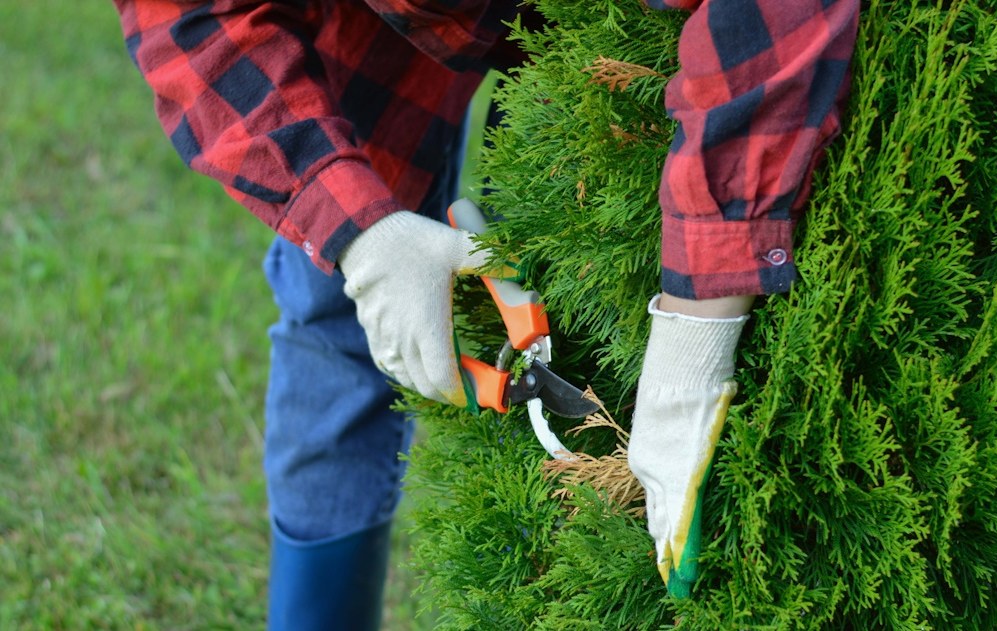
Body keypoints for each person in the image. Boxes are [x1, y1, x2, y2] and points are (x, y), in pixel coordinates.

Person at [113, 0, 859, 626]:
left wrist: (699, 323)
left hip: (629, 28)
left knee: (565, 254)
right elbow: (188, 19)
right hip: (368, 25)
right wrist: (357, 234)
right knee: (333, 309)